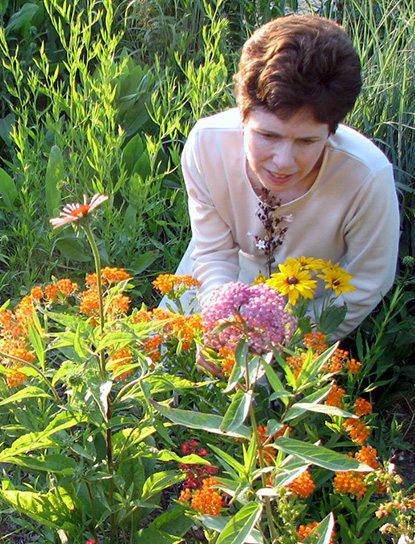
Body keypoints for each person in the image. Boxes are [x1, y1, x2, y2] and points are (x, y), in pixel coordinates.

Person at [161, 14, 399, 340]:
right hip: (217, 281)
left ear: (332, 131)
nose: (283, 162)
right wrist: (219, 321)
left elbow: (367, 283)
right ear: (242, 116)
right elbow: (213, 252)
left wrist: (280, 339)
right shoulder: (207, 145)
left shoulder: (366, 177)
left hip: (306, 307)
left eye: (307, 141)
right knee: (156, 364)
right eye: (268, 136)